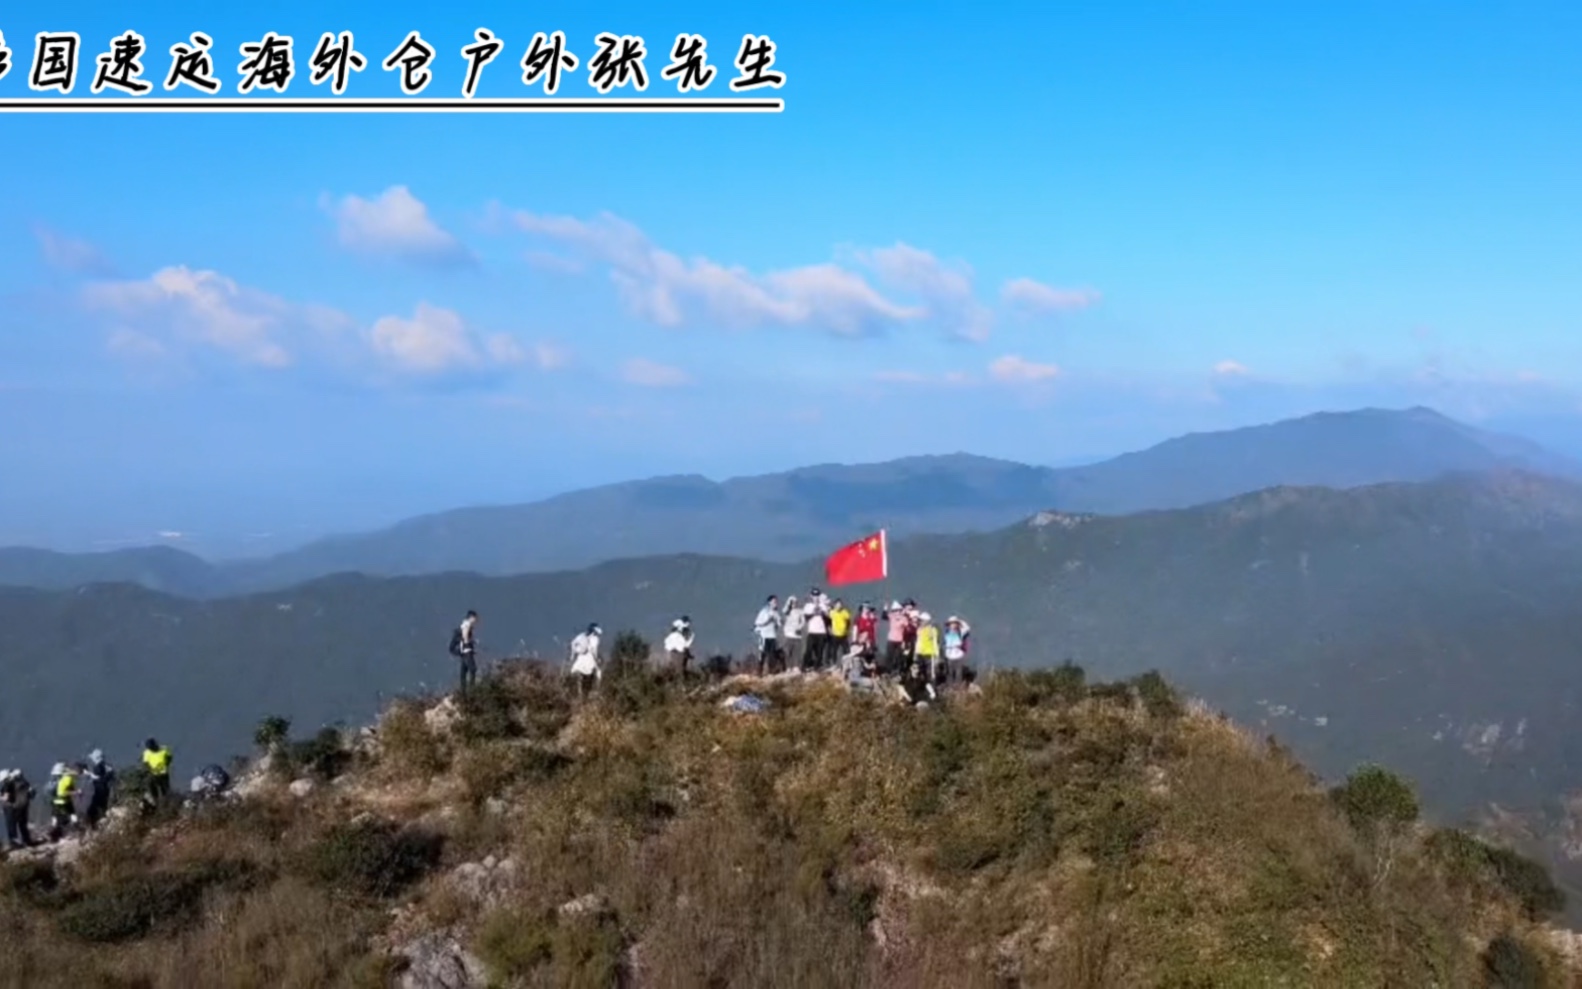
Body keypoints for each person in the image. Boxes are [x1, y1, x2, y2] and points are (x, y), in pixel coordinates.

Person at [569, 623, 603, 700]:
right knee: (597, 675)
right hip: (589, 662)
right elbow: (594, 651)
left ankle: (578, 695)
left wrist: (572, 655)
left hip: (579, 661)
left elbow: (573, 643)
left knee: (578, 680)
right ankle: (594, 692)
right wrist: (597, 660)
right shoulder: (595, 639)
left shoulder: (581, 636)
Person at [84, 749, 115, 831]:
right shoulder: (106, 766)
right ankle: (102, 826)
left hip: (100, 792)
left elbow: (99, 779)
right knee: (102, 809)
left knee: (91, 812)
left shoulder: (97, 767)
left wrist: (89, 775)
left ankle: (96, 829)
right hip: (106, 791)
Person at [2, 769, 35, 848]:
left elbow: (6, 798)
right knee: (22, 824)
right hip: (24, 806)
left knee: (11, 825)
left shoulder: (8, 784)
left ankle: (14, 843)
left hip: (13, 807)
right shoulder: (24, 783)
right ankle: (27, 840)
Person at [452, 610, 480, 695]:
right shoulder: (467, 624)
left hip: (463, 652)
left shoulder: (463, 624)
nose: (476, 620)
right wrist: (468, 644)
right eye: (475, 618)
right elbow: (465, 635)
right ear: (471, 617)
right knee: (473, 669)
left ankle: (463, 692)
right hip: (467, 651)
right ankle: (472, 690)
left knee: (463, 672)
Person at [50, 763, 79, 841]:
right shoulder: (67, 779)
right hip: (64, 801)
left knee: (55, 817)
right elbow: (64, 792)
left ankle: (54, 834)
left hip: (55, 801)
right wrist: (76, 792)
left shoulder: (55, 779)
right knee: (69, 816)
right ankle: (75, 829)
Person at [753, 595, 782, 675]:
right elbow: (757, 623)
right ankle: (760, 672)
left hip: (772, 636)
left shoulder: (776, 613)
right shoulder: (763, 612)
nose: (775, 603)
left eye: (776, 602)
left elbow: (779, 624)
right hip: (764, 636)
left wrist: (777, 622)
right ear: (769, 602)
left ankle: (771, 671)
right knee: (763, 654)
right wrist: (767, 620)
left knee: (772, 654)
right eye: (774, 601)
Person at [142, 738, 173, 811]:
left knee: (165, 791)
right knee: (152, 787)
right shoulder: (147, 752)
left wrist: (166, 764)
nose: (150, 749)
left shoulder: (164, 749)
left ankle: (166, 806)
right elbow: (146, 763)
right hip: (154, 774)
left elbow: (169, 758)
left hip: (163, 774)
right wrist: (151, 769)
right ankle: (156, 803)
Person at [781, 595, 807, 673]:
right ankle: (788, 667)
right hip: (788, 634)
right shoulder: (787, 611)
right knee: (788, 652)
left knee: (797, 652)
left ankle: (796, 667)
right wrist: (789, 600)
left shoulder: (800, 611)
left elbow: (803, 622)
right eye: (792, 602)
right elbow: (784, 610)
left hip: (797, 635)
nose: (794, 604)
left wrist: (799, 628)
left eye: (795, 602)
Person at [915, 613, 942, 684]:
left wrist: (937, 655)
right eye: (920, 620)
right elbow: (918, 642)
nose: (920, 622)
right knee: (921, 672)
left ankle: (933, 689)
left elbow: (935, 642)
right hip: (921, 654)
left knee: (931, 673)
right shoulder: (919, 630)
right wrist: (916, 654)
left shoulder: (932, 630)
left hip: (930, 654)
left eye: (921, 620)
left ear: (926, 621)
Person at [804, 597, 829, 671]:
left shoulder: (823, 606)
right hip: (812, 631)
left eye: (817, 597)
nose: (816, 599)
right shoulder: (808, 606)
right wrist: (813, 613)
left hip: (821, 632)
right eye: (814, 596)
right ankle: (806, 665)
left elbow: (828, 618)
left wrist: (823, 613)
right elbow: (806, 618)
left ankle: (817, 667)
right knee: (809, 650)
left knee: (819, 651)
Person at [884, 601, 909, 674]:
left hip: (899, 640)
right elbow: (884, 616)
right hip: (891, 639)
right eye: (895, 610)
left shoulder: (903, 618)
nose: (897, 612)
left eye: (898, 610)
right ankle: (888, 671)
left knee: (898, 656)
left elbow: (907, 628)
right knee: (889, 656)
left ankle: (897, 671)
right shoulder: (891, 616)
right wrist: (885, 609)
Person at [944, 617, 969, 684]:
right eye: (951, 624)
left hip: (958, 656)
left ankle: (958, 687)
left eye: (954, 623)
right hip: (949, 656)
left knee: (958, 673)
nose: (952, 625)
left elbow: (967, 628)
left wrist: (960, 621)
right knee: (949, 672)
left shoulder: (960, 632)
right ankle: (950, 687)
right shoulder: (946, 633)